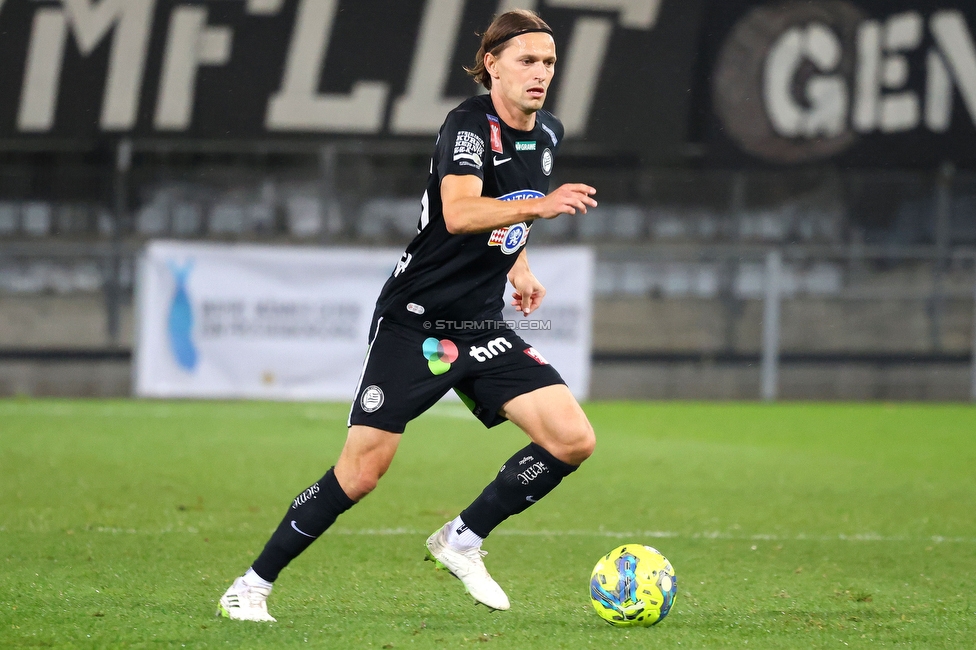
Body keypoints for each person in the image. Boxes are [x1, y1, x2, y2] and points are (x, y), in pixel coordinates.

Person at [217, 9, 598, 622]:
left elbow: (514, 214)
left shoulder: (547, 133)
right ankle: (251, 584)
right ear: (492, 65)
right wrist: (546, 208)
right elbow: (461, 214)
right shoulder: (467, 128)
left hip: (480, 326)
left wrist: (519, 266)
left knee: (572, 438)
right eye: (527, 60)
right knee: (362, 472)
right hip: (418, 324)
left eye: (549, 62)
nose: (541, 73)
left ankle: (463, 539)